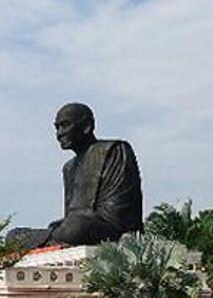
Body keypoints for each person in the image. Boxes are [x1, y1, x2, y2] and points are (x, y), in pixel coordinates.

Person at [8, 102, 143, 249]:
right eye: (57, 127)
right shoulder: (69, 168)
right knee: (13, 236)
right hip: (74, 229)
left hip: (106, 229)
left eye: (65, 125)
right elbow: (70, 215)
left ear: (86, 127)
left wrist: (71, 225)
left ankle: (52, 238)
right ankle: (54, 237)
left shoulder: (114, 150)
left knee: (76, 227)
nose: (59, 133)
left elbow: (119, 216)